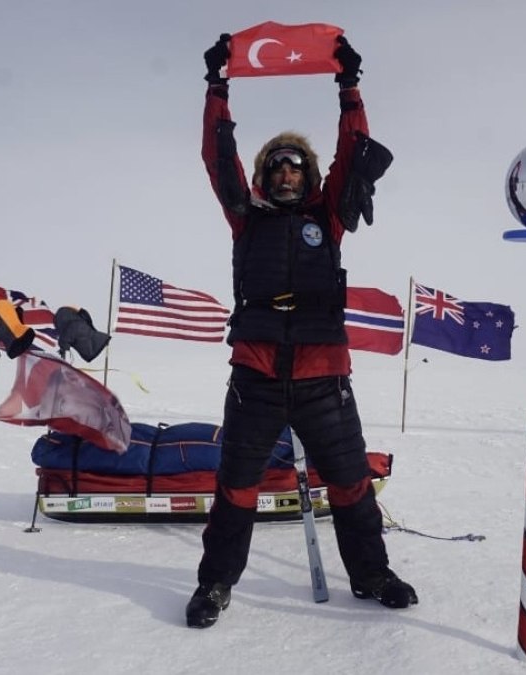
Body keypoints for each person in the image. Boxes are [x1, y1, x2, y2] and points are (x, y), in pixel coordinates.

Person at [186, 32, 413, 629]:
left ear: (308, 175)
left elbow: (352, 148)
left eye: (296, 164)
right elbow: (218, 158)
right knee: (236, 490)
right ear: (265, 175)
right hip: (256, 378)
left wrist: (349, 87)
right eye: (276, 165)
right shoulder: (246, 218)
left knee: (351, 485)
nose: (287, 171)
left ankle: (370, 574)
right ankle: (214, 585)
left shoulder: (328, 216)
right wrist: (218, 88)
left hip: (323, 381)